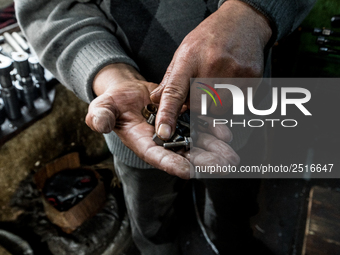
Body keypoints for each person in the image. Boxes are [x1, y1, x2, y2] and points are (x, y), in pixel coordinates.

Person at [16, 0, 316, 254]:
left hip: (241, 107)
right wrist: (113, 75)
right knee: (152, 224)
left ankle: (233, 243)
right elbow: (50, 8)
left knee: (235, 204)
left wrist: (255, 12)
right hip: (134, 127)